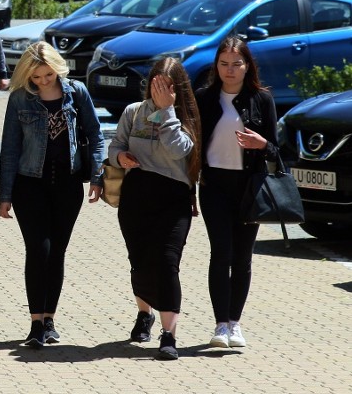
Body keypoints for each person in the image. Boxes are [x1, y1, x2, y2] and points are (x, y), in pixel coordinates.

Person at [0, 42, 105, 348]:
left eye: (48, 75)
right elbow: (9, 148)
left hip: (67, 185)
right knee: (38, 250)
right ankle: (34, 323)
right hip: (28, 184)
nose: (43, 81)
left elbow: (96, 135)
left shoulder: (77, 92)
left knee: (57, 251)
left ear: (57, 69)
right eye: (36, 77)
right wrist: (5, 195)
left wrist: (97, 175)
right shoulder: (20, 99)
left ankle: (49, 320)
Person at [109, 57, 202, 361]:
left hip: (173, 199)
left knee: (166, 262)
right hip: (137, 197)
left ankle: (169, 334)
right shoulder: (133, 112)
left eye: (167, 86)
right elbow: (114, 147)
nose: (159, 90)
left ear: (178, 89)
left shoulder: (187, 117)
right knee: (140, 260)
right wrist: (120, 157)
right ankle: (143, 314)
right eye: (155, 84)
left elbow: (177, 149)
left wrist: (166, 111)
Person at [195, 36, 278, 350]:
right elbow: (191, 147)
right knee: (221, 253)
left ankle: (235, 324)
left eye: (236, 64)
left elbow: (277, 151)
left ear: (247, 66)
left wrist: (262, 144)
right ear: (216, 65)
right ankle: (219, 325)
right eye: (223, 64)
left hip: (248, 188)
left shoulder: (262, 99)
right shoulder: (204, 98)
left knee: (242, 259)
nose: (229, 70)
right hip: (214, 186)